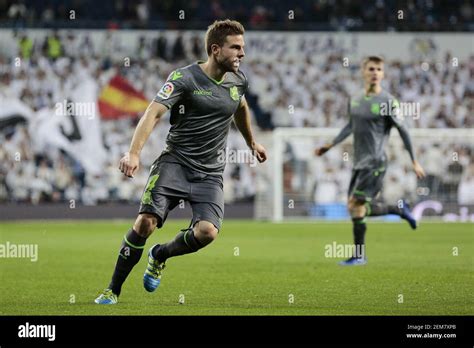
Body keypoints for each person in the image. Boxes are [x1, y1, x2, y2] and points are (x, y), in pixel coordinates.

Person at [95, 19, 267, 304]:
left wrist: (252, 142)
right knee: (145, 224)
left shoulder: (239, 81)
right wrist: (134, 152)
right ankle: (112, 290)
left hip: (210, 174)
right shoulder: (184, 78)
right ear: (215, 49)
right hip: (174, 164)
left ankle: (160, 255)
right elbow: (153, 112)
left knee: (208, 232)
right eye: (235, 47)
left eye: (243, 47)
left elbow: (241, 105)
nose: (242, 53)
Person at [315, 56, 425, 266]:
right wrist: (330, 145)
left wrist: (414, 160)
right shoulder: (355, 99)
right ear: (363, 72)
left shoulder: (387, 101)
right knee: (355, 207)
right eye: (371, 69)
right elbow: (350, 127)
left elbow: (404, 131)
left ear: (383, 74)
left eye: (379, 69)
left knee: (356, 204)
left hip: (375, 162)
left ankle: (360, 255)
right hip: (358, 162)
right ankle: (400, 210)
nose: (375, 72)